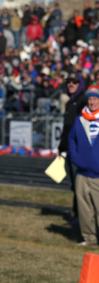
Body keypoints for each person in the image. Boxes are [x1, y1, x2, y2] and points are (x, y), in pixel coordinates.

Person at [68, 85, 99, 245]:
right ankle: (89, 237)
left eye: (95, 99)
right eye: (90, 99)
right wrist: (76, 157)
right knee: (84, 209)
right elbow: (72, 139)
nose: (92, 102)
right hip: (82, 172)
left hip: (98, 175)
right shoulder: (80, 119)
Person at [57, 72, 86, 220]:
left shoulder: (83, 102)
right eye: (68, 82)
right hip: (70, 147)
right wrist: (61, 147)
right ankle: (77, 213)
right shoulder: (70, 102)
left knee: (79, 184)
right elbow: (66, 127)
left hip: (80, 149)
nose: (71, 84)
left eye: (74, 82)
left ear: (80, 84)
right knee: (73, 184)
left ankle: (81, 215)